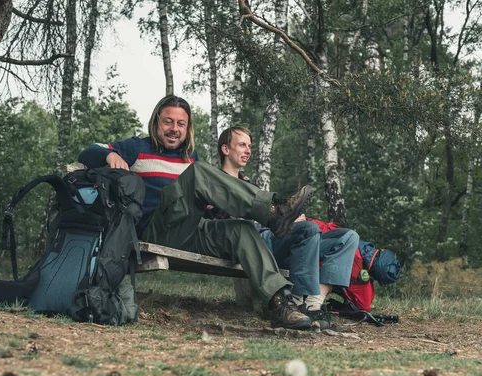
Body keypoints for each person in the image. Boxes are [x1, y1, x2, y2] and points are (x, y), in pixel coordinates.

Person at [78, 95, 313, 330]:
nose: (174, 129)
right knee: (198, 172)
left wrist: (213, 205)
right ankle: (273, 212)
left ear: (187, 127)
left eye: (181, 124)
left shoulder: (190, 156)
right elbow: (87, 153)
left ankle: (280, 302)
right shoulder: (137, 148)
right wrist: (110, 154)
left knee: (241, 230)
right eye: (168, 122)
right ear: (156, 122)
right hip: (156, 229)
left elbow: (200, 206)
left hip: (191, 230)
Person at [216, 126, 359, 329]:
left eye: (250, 146)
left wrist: (289, 221)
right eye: (242, 145)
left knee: (347, 237)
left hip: (272, 239)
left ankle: (312, 304)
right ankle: (297, 304)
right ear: (225, 149)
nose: (248, 150)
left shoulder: (250, 185)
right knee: (308, 229)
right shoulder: (214, 183)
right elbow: (226, 222)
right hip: (252, 243)